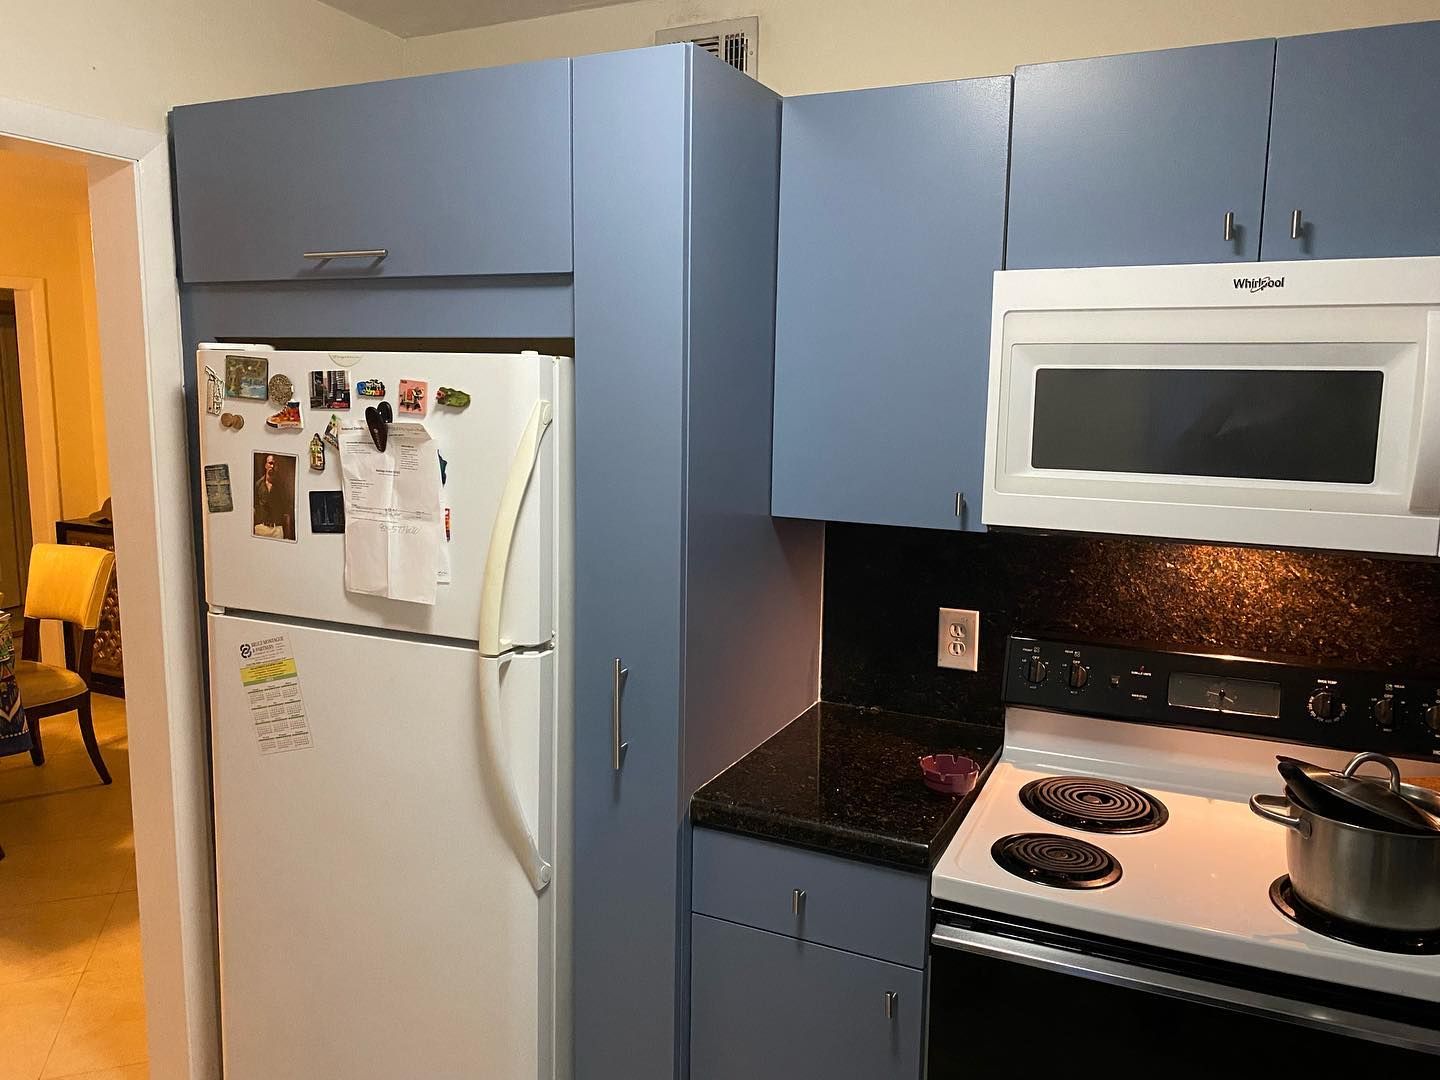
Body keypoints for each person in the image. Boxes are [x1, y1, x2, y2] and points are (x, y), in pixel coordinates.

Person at [254, 454, 292, 540]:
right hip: (261, 529)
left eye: (275, 464)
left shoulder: (282, 486)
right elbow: (253, 508)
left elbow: (287, 513)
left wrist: (288, 536)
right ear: (265, 465)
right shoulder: (258, 484)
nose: (272, 466)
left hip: (277, 530)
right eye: (270, 463)